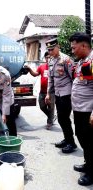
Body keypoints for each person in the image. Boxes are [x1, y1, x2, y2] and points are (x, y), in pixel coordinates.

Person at [44, 38, 77, 154]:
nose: (50, 52)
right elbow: (50, 79)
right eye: (48, 50)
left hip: (66, 94)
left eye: (52, 49)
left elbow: (74, 78)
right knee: (62, 119)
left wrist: (74, 95)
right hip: (57, 93)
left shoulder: (66, 60)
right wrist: (48, 93)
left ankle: (71, 143)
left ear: (58, 47)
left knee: (64, 118)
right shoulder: (51, 61)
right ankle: (67, 139)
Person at [69, 32, 93, 186]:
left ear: (84, 45)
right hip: (79, 109)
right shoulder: (82, 61)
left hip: (88, 110)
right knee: (82, 137)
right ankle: (88, 163)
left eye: (74, 47)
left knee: (90, 141)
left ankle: (91, 173)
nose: (72, 50)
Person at [25, 52, 55, 130]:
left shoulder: (55, 67)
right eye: (47, 57)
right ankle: (51, 116)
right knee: (42, 106)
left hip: (52, 92)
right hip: (42, 91)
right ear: (45, 58)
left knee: (51, 107)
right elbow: (35, 74)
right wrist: (29, 69)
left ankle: (49, 122)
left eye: (50, 57)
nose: (49, 59)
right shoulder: (42, 67)